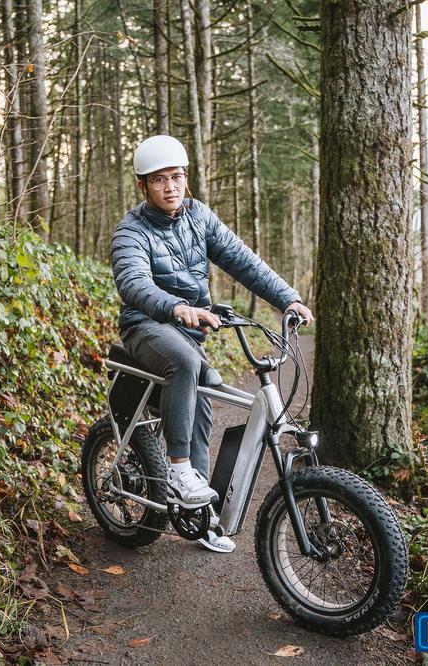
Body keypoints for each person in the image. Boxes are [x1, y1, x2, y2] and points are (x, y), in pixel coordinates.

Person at [110, 135, 313, 553]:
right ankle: (179, 469)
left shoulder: (199, 216)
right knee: (185, 363)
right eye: (159, 180)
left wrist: (287, 298)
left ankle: (197, 512)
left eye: (176, 177)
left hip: (188, 330)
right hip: (146, 326)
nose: (170, 186)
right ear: (143, 185)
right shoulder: (130, 231)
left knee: (205, 393)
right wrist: (176, 307)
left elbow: (243, 260)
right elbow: (133, 284)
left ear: (186, 178)